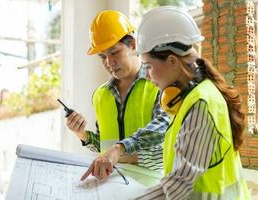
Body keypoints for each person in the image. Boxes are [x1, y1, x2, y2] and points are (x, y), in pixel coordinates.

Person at [81, 6, 251, 199]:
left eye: (149, 66)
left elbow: (177, 186)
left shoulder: (199, 104)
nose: (150, 77)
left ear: (172, 61)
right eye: (103, 56)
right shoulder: (187, 98)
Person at [66, 10, 169, 180]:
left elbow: (164, 145)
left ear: (133, 45)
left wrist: (118, 153)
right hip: (110, 188)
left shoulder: (157, 84)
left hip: (150, 190)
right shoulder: (101, 95)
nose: (109, 62)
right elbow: (105, 146)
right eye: (102, 56)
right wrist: (82, 134)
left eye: (114, 52)